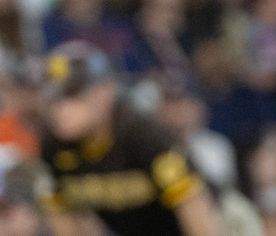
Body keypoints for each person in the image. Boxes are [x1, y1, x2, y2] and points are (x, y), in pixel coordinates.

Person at [37, 40, 223, 236]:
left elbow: (196, 210)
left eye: (73, 94)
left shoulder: (144, 137)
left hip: (216, 217)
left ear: (105, 92)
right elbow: (64, 218)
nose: (61, 109)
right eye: (55, 98)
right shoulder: (54, 146)